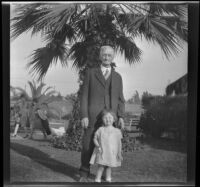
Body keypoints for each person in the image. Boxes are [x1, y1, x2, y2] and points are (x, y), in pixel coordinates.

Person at [79, 45, 125, 181]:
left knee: (109, 146)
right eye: (104, 55)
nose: (106, 57)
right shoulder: (91, 73)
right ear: (100, 56)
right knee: (88, 144)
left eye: (109, 55)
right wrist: (84, 115)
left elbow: (121, 98)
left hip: (111, 119)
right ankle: (84, 173)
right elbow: (84, 96)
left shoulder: (117, 77)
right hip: (92, 116)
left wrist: (121, 116)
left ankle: (106, 173)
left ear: (113, 57)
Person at [89, 109, 123, 183]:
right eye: (105, 118)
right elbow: (94, 138)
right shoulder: (100, 129)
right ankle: (97, 179)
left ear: (114, 119)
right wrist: (98, 146)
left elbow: (119, 143)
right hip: (102, 152)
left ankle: (108, 178)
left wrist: (119, 153)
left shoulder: (117, 131)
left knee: (108, 167)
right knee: (101, 166)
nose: (108, 119)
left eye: (110, 118)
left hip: (111, 153)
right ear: (102, 120)